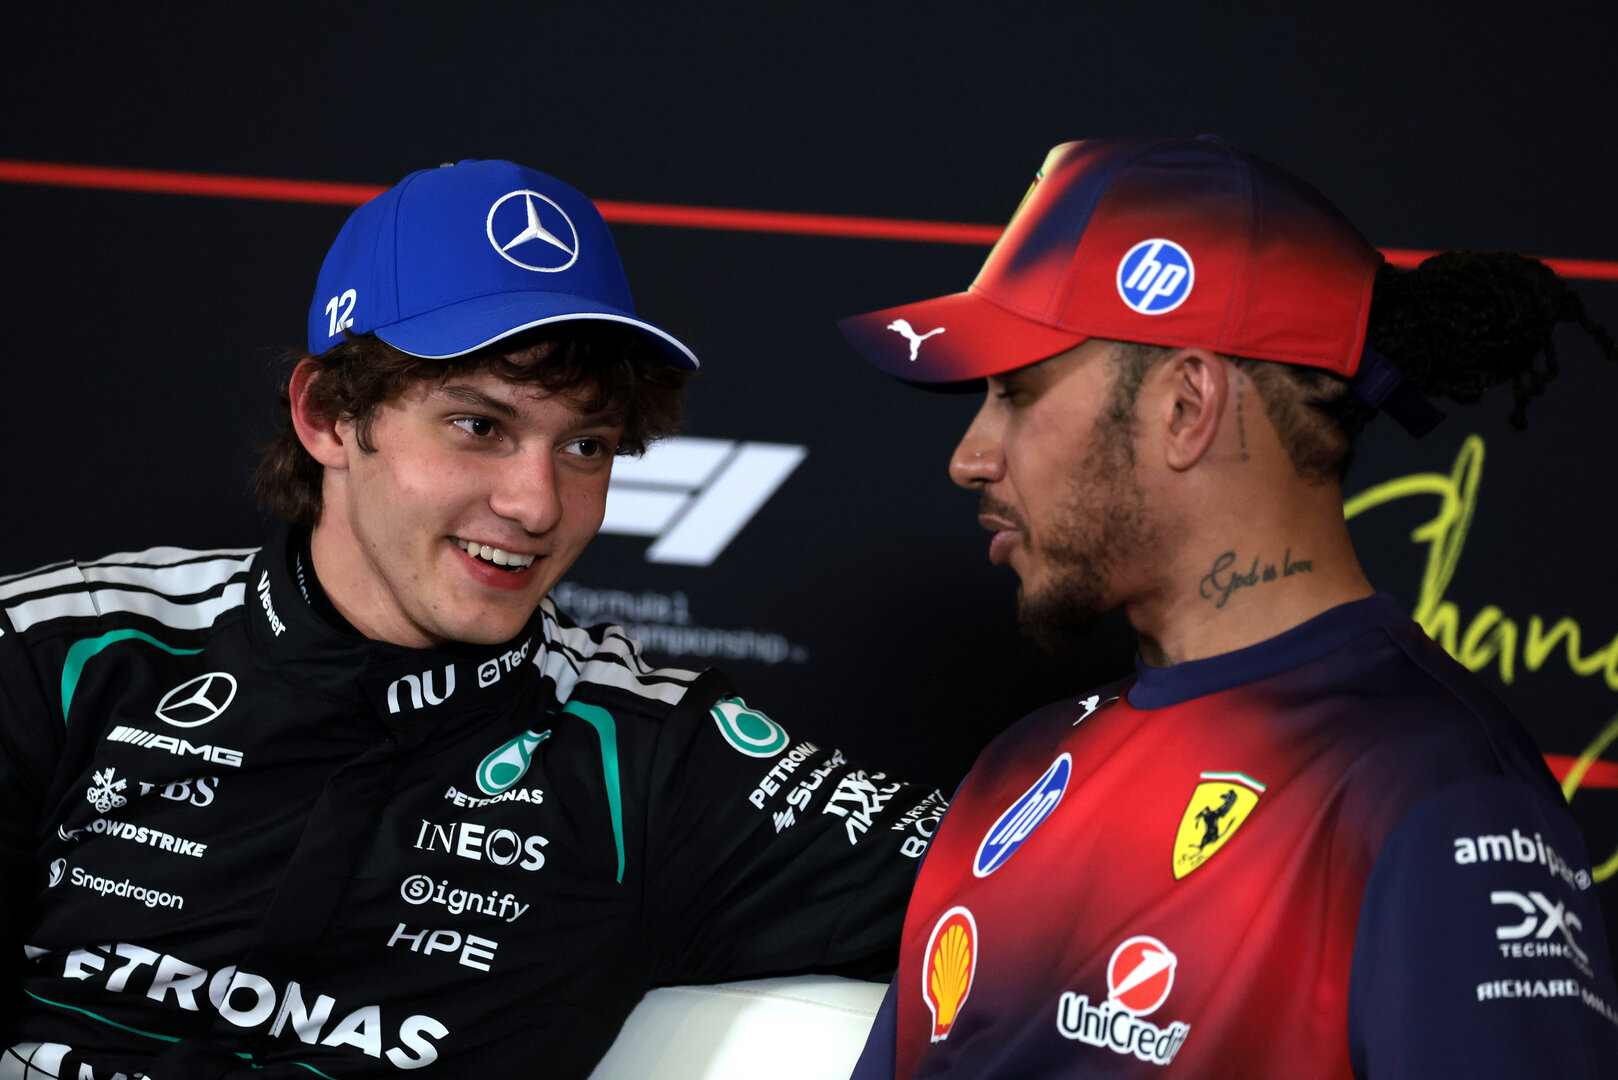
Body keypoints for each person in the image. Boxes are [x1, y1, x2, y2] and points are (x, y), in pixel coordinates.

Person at [0, 159, 937, 1078]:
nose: (537, 505)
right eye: (478, 426)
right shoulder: (63, 655)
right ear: (328, 416)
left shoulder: (648, 761)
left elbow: (1021, 890)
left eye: (585, 444)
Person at [835, 135, 1618, 1077]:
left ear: (1186, 405)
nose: (970, 455)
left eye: (1016, 390)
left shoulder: (1437, 798)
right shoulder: (1014, 774)